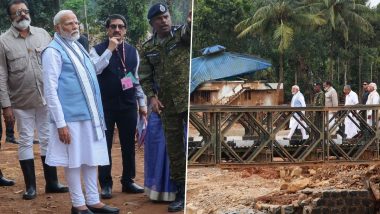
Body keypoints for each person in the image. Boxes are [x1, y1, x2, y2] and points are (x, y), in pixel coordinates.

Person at [42, 10, 119, 214]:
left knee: (90, 157)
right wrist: (60, 123)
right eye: (69, 23)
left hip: (90, 115)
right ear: (58, 28)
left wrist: (109, 52)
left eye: (76, 22)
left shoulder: (77, 46)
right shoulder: (53, 51)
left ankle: (93, 200)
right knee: (73, 161)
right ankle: (78, 205)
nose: (75, 26)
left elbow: (92, 71)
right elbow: (49, 90)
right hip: (70, 118)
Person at [0, 0, 68, 200]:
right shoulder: (3, 41)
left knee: (47, 138)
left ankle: (52, 182)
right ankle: (31, 187)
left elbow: (56, 65)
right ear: (10, 17)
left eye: (25, 11)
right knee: (26, 140)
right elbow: (2, 75)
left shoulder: (42, 34)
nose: (22, 14)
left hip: (46, 98)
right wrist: (6, 105)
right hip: (20, 101)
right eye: (17, 12)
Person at [140, 3, 191, 212]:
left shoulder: (181, 35)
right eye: (159, 18)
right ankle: (181, 192)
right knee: (175, 150)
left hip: (189, 100)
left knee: (197, 143)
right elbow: (144, 76)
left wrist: (190, 21)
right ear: (152, 23)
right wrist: (151, 98)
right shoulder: (148, 47)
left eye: (167, 16)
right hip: (167, 106)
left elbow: (190, 33)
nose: (164, 21)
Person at [90, 14, 147, 199]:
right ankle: (105, 184)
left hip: (128, 105)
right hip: (104, 106)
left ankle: (128, 181)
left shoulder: (132, 51)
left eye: (120, 26)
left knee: (128, 145)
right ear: (107, 29)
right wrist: (109, 49)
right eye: (113, 26)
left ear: (125, 30)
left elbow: (135, 79)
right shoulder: (97, 49)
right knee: (104, 145)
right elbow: (95, 70)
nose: (117, 29)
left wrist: (142, 104)